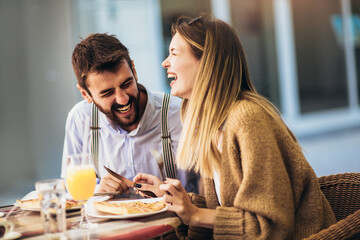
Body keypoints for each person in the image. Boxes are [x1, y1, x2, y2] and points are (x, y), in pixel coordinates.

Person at [133, 15, 336, 239]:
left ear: (206, 61)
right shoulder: (212, 126)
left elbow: (271, 228)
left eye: (173, 53)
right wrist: (169, 198)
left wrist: (195, 215)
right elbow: (224, 212)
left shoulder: (247, 118)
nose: (165, 62)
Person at [61, 33, 198, 195]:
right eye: (107, 93)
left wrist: (169, 195)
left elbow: (208, 197)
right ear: (85, 94)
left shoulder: (181, 115)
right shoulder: (80, 119)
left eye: (126, 84)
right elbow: (70, 190)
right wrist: (96, 191)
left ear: (133, 70)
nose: (122, 99)